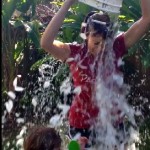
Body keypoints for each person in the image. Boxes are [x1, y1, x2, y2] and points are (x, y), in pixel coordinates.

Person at [40, 0, 150, 149]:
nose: (101, 49)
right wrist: (67, 4)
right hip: (81, 125)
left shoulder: (116, 48)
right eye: (96, 43)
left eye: (105, 43)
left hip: (113, 122)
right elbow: (46, 43)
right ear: (86, 35)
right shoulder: (75, 53)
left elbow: (147, 18)